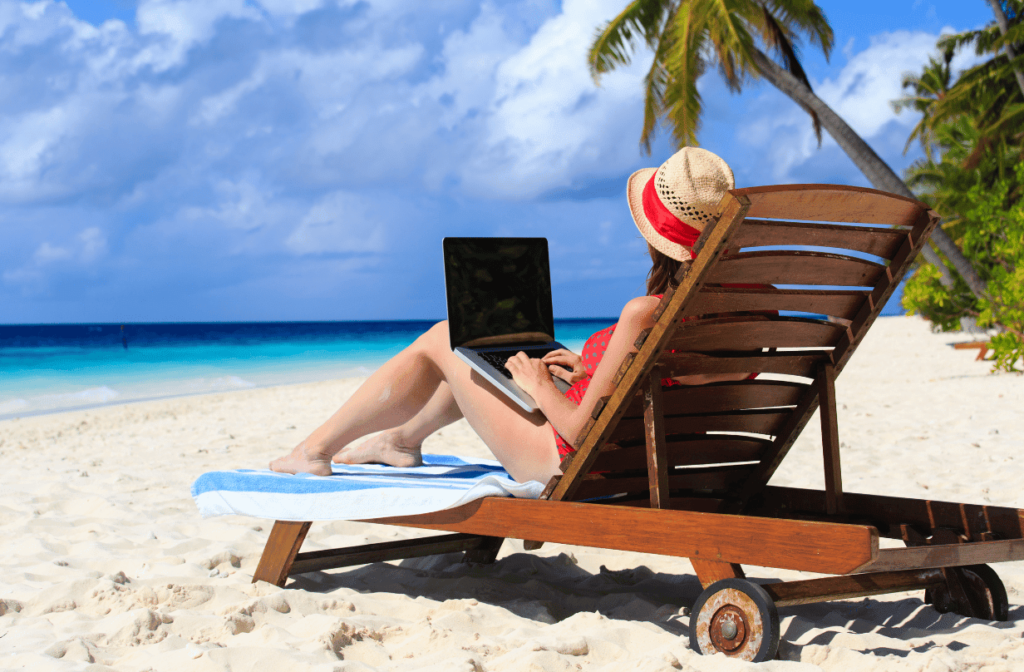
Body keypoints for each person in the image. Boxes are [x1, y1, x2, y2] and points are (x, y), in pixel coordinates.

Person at [270, 147, 745, 484]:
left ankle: (314, 451)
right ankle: (400, 441)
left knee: (447, 336)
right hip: (669, 461)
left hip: (578, 464)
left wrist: (538, 384)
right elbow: (672, 385)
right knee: (485, 361)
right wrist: (592, 370)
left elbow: (582, 431)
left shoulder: (645, 313)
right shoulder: (751, 307)